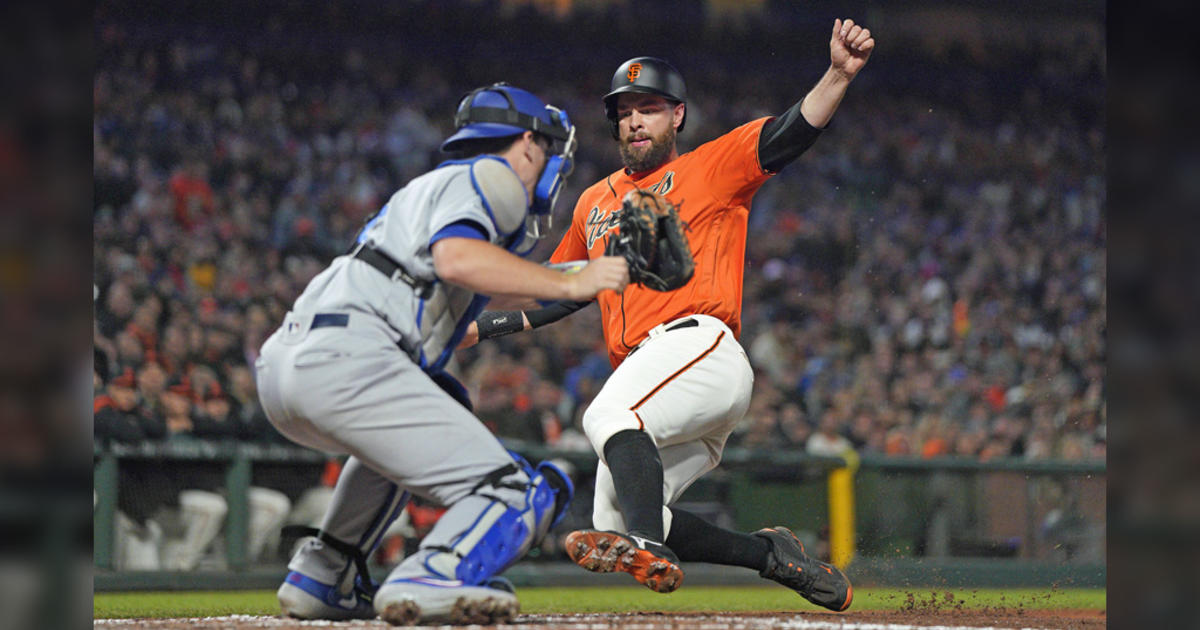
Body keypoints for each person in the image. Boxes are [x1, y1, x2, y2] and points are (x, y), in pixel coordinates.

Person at [462, 18, 874, 611]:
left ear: (676, 116)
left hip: (698, 348)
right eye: (625, 110)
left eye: (649, 108)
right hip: (658, 379)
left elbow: (791, 131)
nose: (634, 119)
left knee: (606, 415)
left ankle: (650, 545)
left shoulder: (711, 167)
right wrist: (484, 324)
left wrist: (837, 75)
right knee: (614, 516)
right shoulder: (592, 203)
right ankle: (772, 555)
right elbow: (561, 292)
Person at [254, 83, 629, 625]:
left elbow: (488, 284)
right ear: (526, 142)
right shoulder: (496, 176)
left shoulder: (435, 188)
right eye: (545, 149)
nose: (547, 162)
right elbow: (458, 260)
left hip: (295, 363)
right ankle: (433, 574)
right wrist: (574, 284)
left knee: (426, 413)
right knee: (518, 491)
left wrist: (601, 275)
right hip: (350, 361)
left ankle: (323, 573)